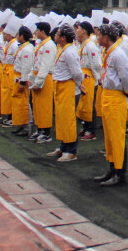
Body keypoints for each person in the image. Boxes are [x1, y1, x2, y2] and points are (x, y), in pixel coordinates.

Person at [94, 24, 128, 187]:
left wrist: (126, 94)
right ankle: (112, 169)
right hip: (108, 95)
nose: (97, 37)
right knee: (109, 137)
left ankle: (119, 173)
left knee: (117, 137)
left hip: (116, 97)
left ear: (106, 37)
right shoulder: (108, 52)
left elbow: (126, 78)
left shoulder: (118, 54)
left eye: (99, 35)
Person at [46, 24, 85, 162]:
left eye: (57, 34)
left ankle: (71, 151)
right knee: (62, 118)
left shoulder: (70, 52)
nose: (55, 36)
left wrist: (79, 85)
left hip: (68, 87)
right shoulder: (64, 49)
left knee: (68, 120)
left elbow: (77, 73)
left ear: (63, 38)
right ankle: (63, 146)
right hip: (61, 87)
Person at [30, 22, 57, 143]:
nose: (35, 32)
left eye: (37, 30)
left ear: (42, 31)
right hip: (37, 75)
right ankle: (39, 128)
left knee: (44, 106)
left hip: (45, 77)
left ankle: (46, 132)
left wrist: (38, 82)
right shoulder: (42, 44)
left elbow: (45, 66)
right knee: (37, 105)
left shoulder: (49, 46)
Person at [76, 22, 102, 141]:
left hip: (89, 77)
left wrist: (96, 78)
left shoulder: (91, 46)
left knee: (89, 104)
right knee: (84, 104)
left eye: (78, 29)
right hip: (84, 76)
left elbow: (95, 64)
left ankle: (91, 130)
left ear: (83, 31)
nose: (76, 31)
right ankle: (86, 127)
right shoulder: (83, 45)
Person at [10, 27, 35, 137]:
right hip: (18, 76)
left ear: (22, 36)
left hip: (22, 77)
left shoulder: (27, 49)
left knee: (24, 102)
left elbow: (26, 67)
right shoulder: (24, 47)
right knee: (18, 102)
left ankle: (27, 126)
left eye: (18, 35)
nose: (16, 37)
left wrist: (23, 82)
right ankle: (21, 124)